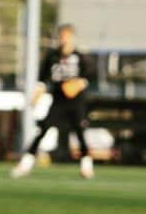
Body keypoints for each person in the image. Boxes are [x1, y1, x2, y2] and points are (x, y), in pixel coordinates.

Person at [12, 24, 95, 178]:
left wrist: (78, 84)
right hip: (58, 100)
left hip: (75, 101)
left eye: (66, 37)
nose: (63, 40)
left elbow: (90, 75)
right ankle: (25, 164)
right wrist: (37, 94)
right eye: (61, 36)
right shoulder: (52, 57)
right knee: (43, 129)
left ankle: (86, 166)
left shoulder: (80, 57)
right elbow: (43, 80)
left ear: (72, 38)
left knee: (79, 131)